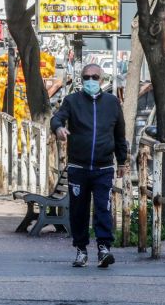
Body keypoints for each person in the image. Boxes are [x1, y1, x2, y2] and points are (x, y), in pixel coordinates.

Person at [50, 64, 128, 269]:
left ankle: (104, 249)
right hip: (78, 167)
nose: (90, 80)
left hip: (103, 168)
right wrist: (58, 128)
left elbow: (120, 134)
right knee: (79, 211)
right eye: (86, 77)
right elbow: (57, 118)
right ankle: (81, 250)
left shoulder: (112, 103)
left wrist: (122, 160)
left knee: (103, 208)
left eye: (94, 77)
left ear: (101, 79)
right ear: (81, 79)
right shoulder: (72, 101)